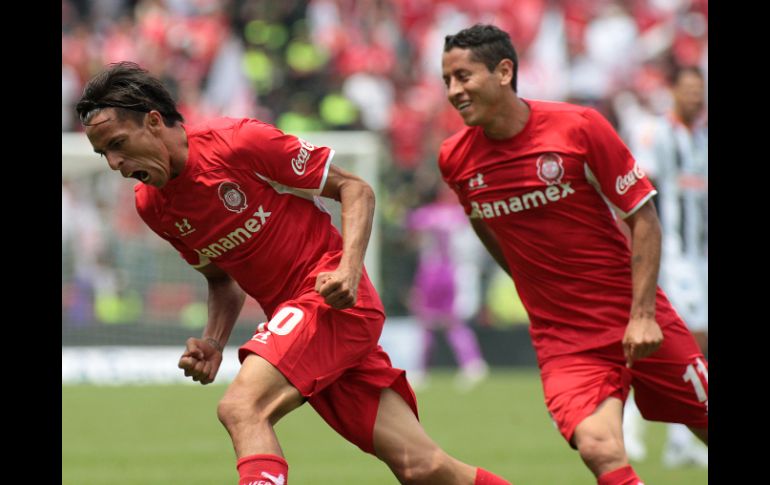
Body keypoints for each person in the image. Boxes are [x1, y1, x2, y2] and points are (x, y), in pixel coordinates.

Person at [76, 62, 511, 485]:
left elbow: (355, 188)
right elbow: (222, 280)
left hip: (330, 298)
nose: (113, 162)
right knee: (424, 469)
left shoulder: (237, 142)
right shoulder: (152, 205)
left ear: (154, 122)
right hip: (303, 325)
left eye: (118, 143)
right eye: (104, 153)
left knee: (242, 408)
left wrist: (348, 269)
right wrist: (213, 341)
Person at [438, 25, 707, 485]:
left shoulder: (579, 127)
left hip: (634, 315)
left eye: (463, 76)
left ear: (504, 72)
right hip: (564, 339)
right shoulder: (455, 158)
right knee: (599, 447)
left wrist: (643, 315)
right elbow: (482, 221)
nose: (453, 91)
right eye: (447, 80)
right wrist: (531, 282)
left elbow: (643, 218)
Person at [622, 66, 708, 468]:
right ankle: (639, 428)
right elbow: (640, 198)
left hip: (700, 255)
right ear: (674, 92)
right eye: (688, 90)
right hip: (671, 255)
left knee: (682, 347)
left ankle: (677, 438)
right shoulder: (656, 133)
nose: (695, 97)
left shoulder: (702, 138)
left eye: (699, 91)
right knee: (689, 338)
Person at [406, 185, 489, 390]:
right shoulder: (460, 214)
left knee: (427, 323)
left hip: (431, 272)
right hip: (452, 272)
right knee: (452, 322)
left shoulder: (424, 215)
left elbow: (412, 238)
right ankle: (473, 364)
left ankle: (421, 371)